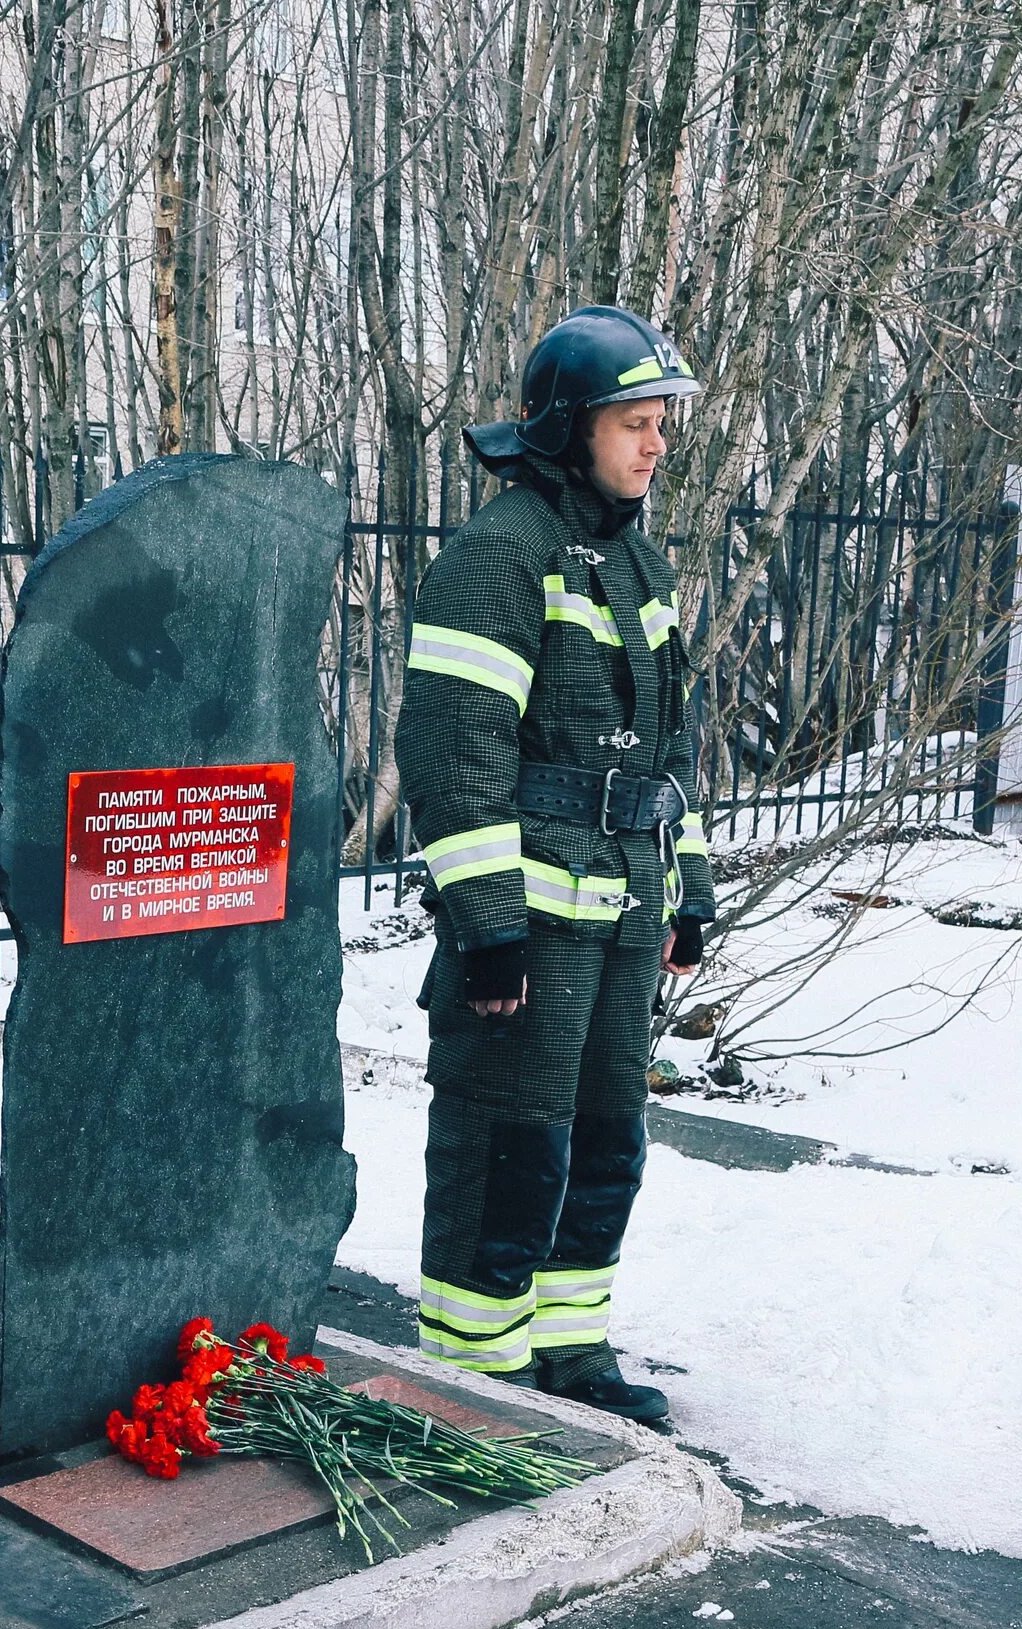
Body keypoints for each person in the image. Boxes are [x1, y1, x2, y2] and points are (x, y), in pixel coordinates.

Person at [394, 305, 715, 1425]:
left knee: (605, 1137)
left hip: (626, 910)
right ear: (571, 426)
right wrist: (486, 922)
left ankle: (572, 1349)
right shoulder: (497, 558)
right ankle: (476, 1366)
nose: (658, 441)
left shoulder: (640, 561)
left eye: (662, 421)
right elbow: (454, 756)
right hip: (529, 923)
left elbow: (674, 744)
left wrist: (692, 890)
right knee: (507, 1139)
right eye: (637, 421)